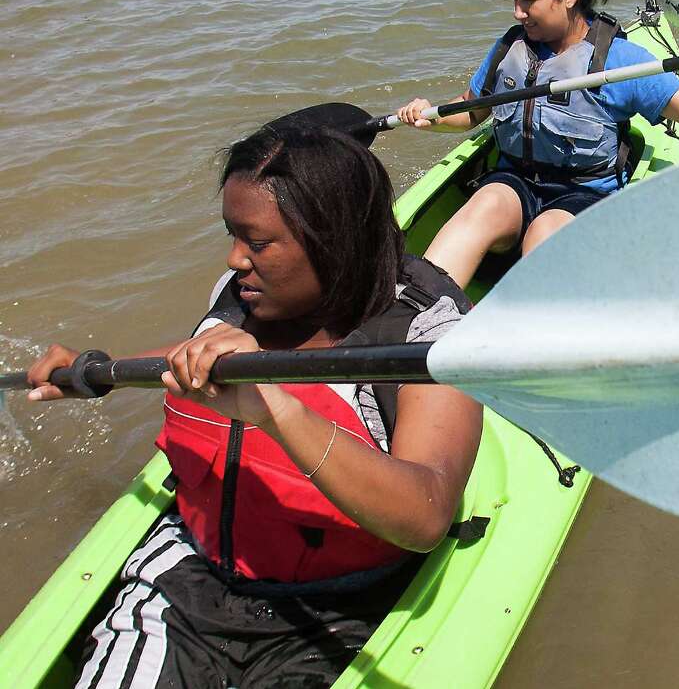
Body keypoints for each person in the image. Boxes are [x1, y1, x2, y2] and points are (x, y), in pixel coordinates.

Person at [26, 109, 483, 687]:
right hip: (187, 576)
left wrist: (277, 408)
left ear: (332, 238)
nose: (235, 260)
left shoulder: (428, 333)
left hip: (347, 608)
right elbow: (187, 359)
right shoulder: (241, 295)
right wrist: (96, 370)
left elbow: (426, 516)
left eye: (258, 242)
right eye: (232, 235)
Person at [395, 0, 679, 289]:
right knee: (485, 204)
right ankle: (420, 311)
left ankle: (531, 328)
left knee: (544, 233)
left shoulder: (619, 61)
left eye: (528, 1)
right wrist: (429, 116)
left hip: (583, 195)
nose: (517, 12)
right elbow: (472, 110)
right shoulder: (510, 48)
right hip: (514, 184)